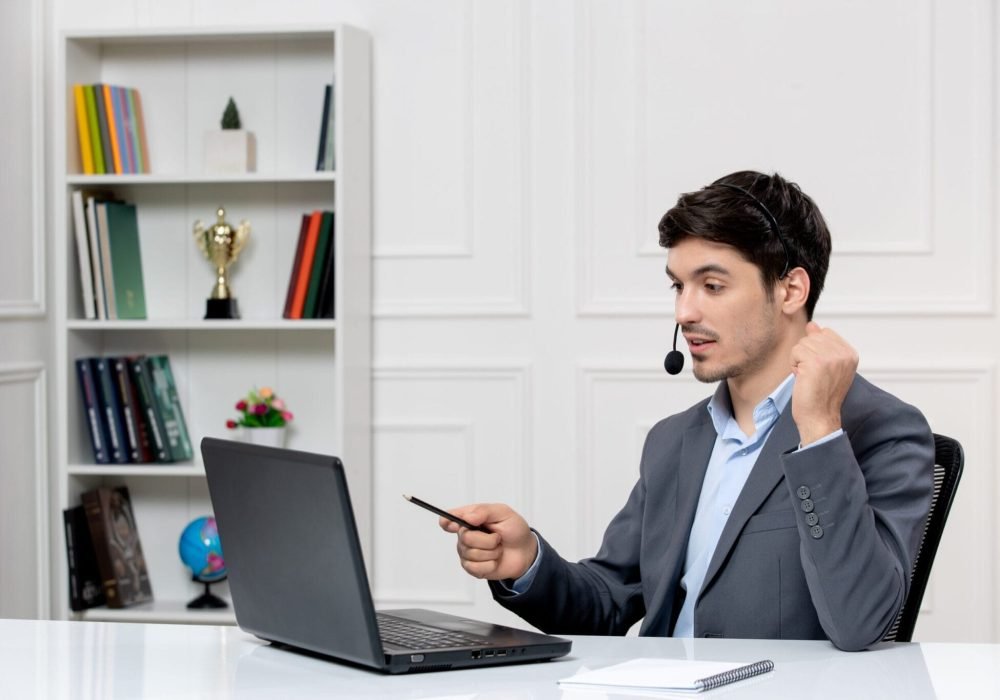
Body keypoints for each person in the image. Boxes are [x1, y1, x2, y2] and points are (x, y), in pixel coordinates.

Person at [439, 170, 934, 652]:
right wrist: (527, 562)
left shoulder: (883, 430)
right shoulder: (674, 440)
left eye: (712, 286)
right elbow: (610, 602)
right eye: (678, 286)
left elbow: (861, 623)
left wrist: (821, 432)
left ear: (790, 290)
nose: (684, 313)